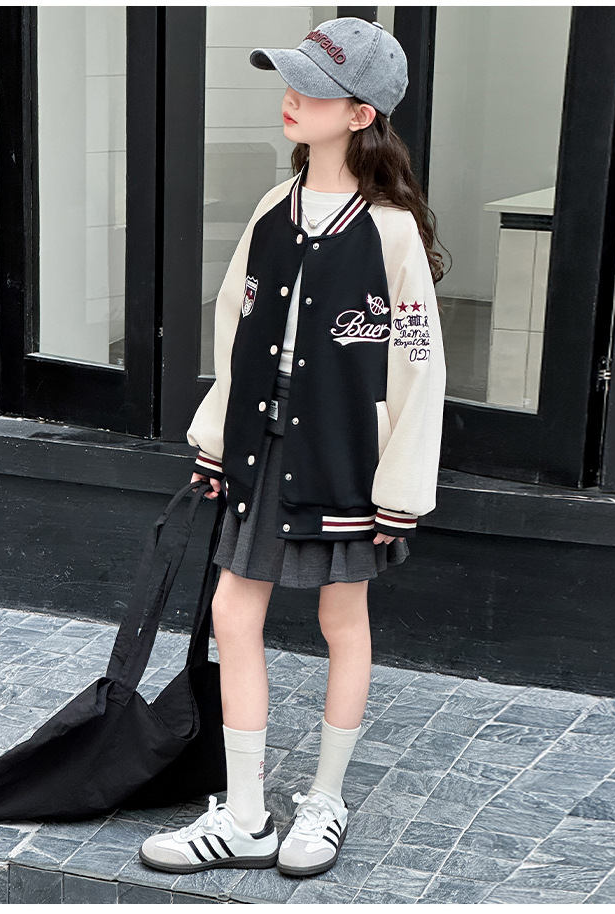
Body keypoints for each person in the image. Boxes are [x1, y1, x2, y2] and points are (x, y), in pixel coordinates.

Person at [139, 16, 447, 879]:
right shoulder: (273, 209)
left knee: (341, 620)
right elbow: (235, 327)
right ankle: (244, 817)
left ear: (359, 114)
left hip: (346, 457)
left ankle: (326, 800)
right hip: (260, 447)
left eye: (313, 87)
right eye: (290, 79)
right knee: (232, 614)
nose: (291, 97)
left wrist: (400, 489)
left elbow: (419, 364)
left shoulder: (390, 230)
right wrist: (214, 437)